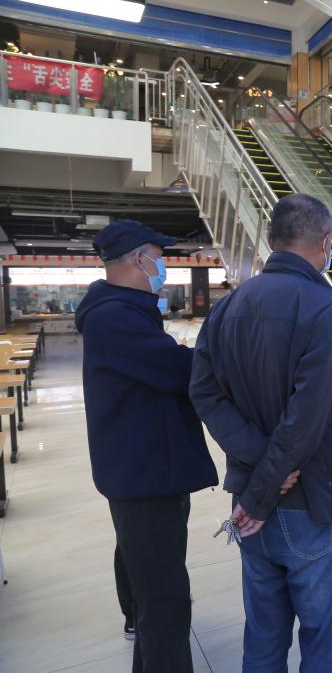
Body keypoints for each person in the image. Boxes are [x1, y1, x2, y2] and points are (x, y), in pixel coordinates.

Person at [190, 194, 332, 670]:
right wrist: (268, 486)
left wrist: (256, 476)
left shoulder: (228, 308)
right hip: (314, 504)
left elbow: (203, 392)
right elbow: (307, 418)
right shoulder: (327, 309)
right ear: (325, 242)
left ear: (270, 240)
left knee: (263, 640)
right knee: (327, 644)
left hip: (250, 506)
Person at [76, 219, 218, 672]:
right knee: (166, 601)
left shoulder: (121, 310)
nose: (163, 266)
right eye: (160, 257)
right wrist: (229, 353)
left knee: (148, 576)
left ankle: (139, 632)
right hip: (145, 474)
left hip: (141, 466)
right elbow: (177, 370)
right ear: (140, 259)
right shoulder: (115, 317)